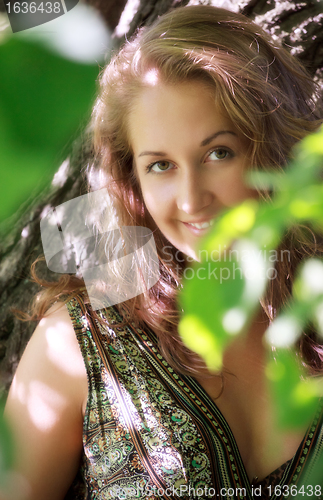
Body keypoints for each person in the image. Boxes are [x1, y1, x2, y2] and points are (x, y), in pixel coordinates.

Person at [3, 5, 323, 500]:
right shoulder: (79, 341)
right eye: (160, 166)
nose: (193, 200)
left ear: (278, 150)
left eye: (220, 153)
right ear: (132, 178)